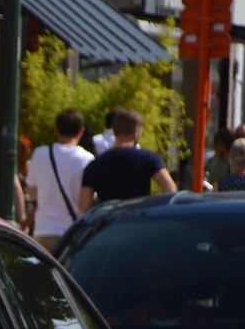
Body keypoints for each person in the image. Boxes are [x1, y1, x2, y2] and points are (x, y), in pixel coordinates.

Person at [78, 108, 177, 212]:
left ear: (114, 131)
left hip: (110, 224)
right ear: (136, 131)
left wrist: (104, 206)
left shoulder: (95, 165)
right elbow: (170, 189)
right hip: (139, 220)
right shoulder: (149, 158)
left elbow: (84, 205)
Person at [26, 107, 92, 251]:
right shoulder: (87, 160)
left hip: (44, 229)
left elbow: (31, 193)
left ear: (56, 130)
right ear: (81, 131)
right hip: (74, 231)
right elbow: (88, 201)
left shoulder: (40, 154)